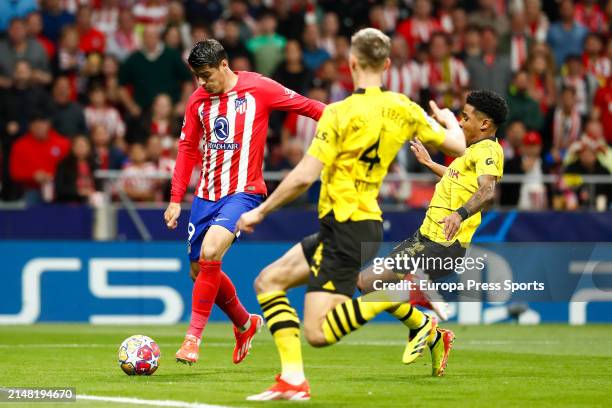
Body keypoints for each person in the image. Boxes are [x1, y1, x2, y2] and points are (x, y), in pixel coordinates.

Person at [236, 28, 466, 401]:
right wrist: (450, 121)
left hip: (346, 229)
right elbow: (458, 146)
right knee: (268, 282)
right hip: (357, 226)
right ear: (387, 64)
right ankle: (293, 380)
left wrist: (261, 210)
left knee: (318, 333)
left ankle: (391, 297)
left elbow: (305, 176)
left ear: (352, 62)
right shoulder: (405, 109)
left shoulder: (339, 113)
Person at [163, 39, 325, 366]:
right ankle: (245, 322)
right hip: (206, 195)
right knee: (199, 270)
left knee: (210, 253)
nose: (201, 83)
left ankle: (193, 339)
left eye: (206, 75)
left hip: (245, 192)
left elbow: (311, 108)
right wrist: (175, 198)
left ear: (224, 65)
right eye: (197, 76)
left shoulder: (259, 88)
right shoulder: (198, 101)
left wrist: (351, 125)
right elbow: (187, 150)